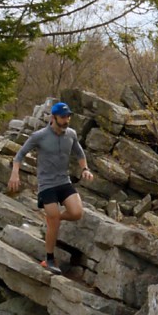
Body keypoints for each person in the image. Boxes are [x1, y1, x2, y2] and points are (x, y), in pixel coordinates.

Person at [8, 102, 94, 274]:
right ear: (53, 118)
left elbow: (79, 153)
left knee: (77, 213)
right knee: (53, 217)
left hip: (63, 181)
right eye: (63, 117)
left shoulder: (71, 134)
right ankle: (49, 259)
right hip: (46, 184)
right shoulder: (39, 136)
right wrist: (15, 173)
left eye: (68, 116)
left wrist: (85, 169)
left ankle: (52, 220)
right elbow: (20, 155)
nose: (67, 120)